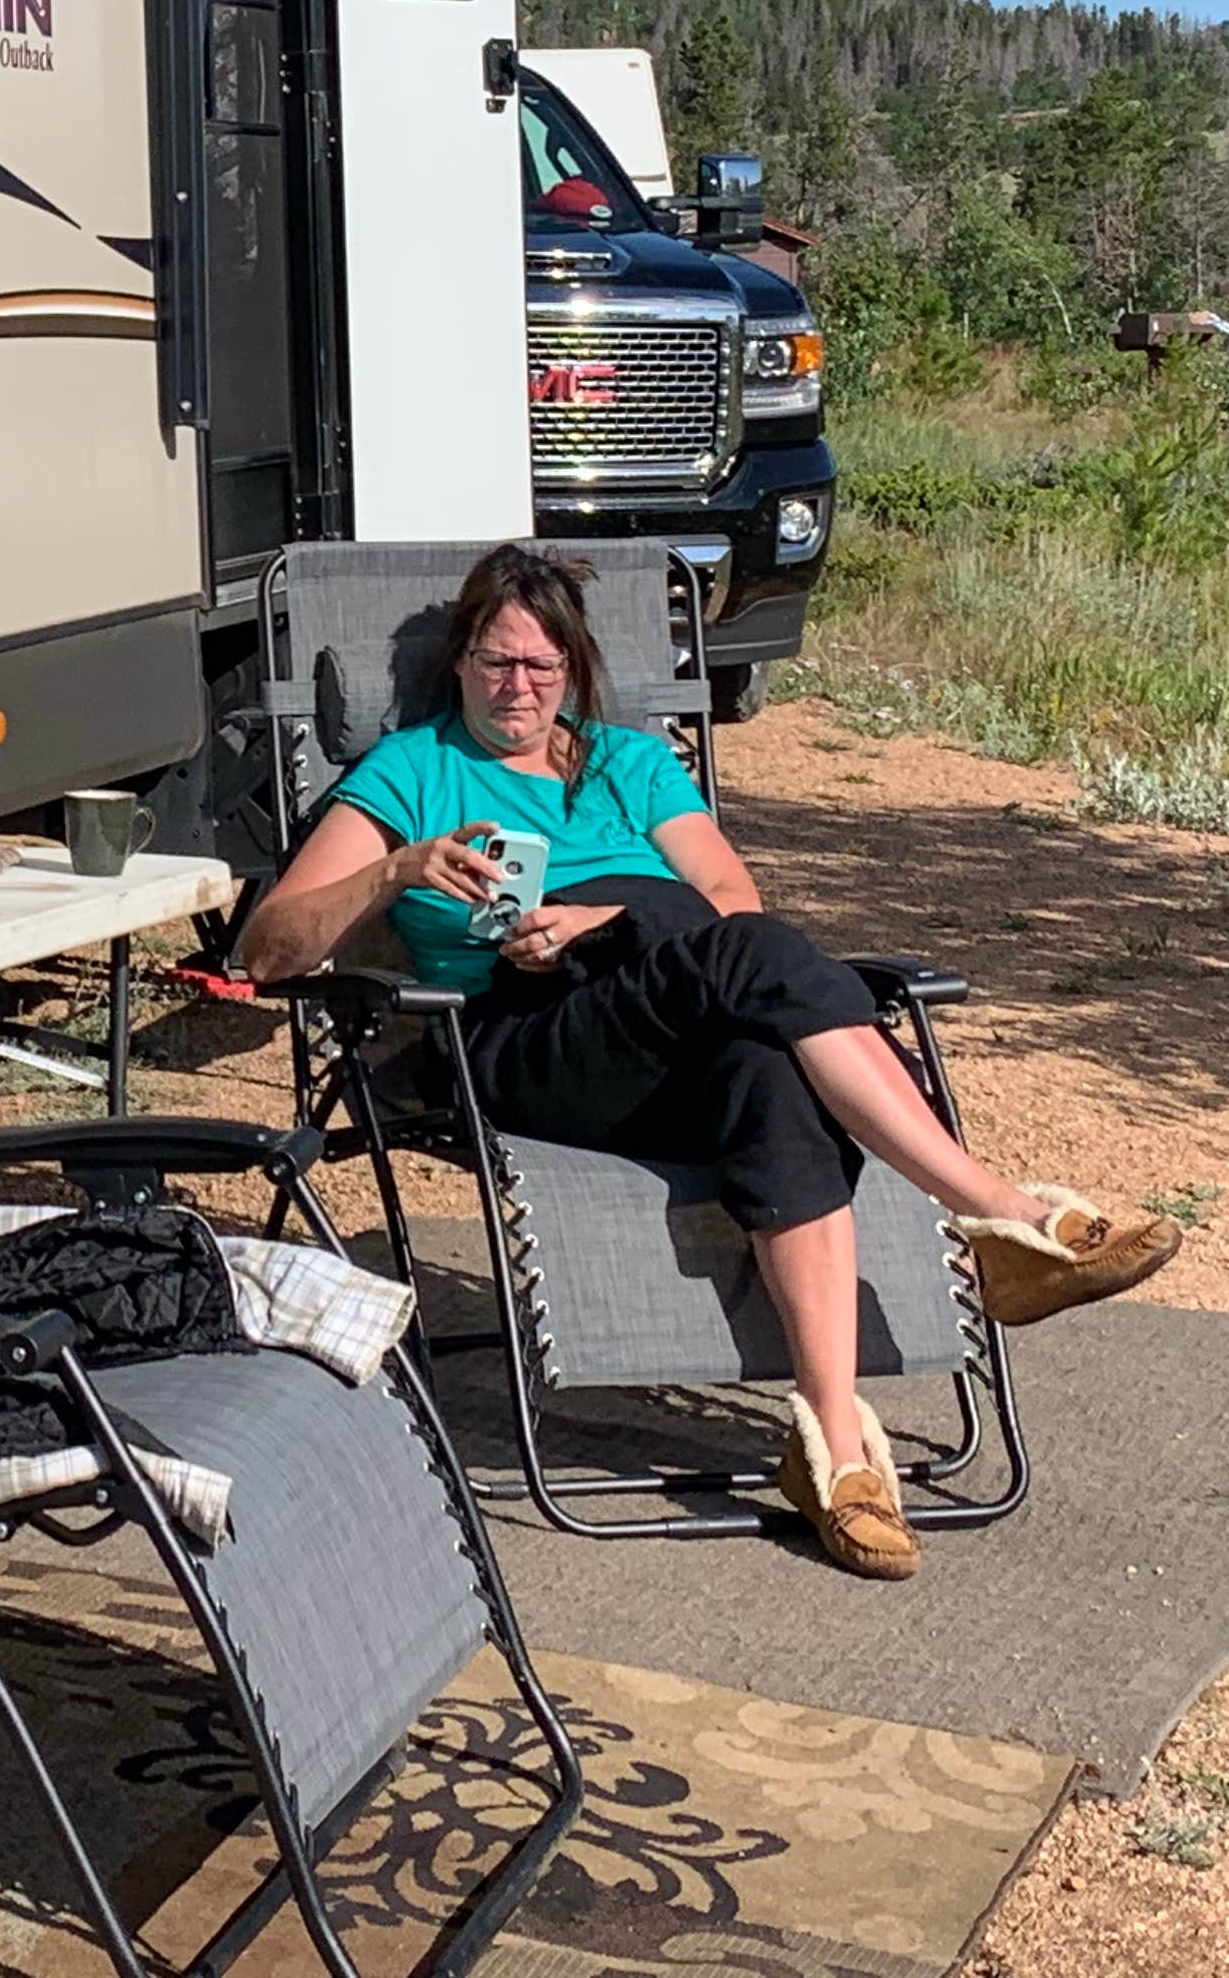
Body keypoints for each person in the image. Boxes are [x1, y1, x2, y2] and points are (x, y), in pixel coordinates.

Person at [235, 542, 1179, 1580]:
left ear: (574, 673)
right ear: (459, 661)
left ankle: (836, 1448)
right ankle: (995, 1209)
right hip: (517, 1039)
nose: (519, 687)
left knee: (769, 1071)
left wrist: (601, 915)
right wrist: (398, 870)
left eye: (543, 669)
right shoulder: (409, 772)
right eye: (498, 663)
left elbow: (731, 901)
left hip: (664, 1019)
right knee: (750, 957)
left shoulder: (632, 764)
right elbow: (268, 951)